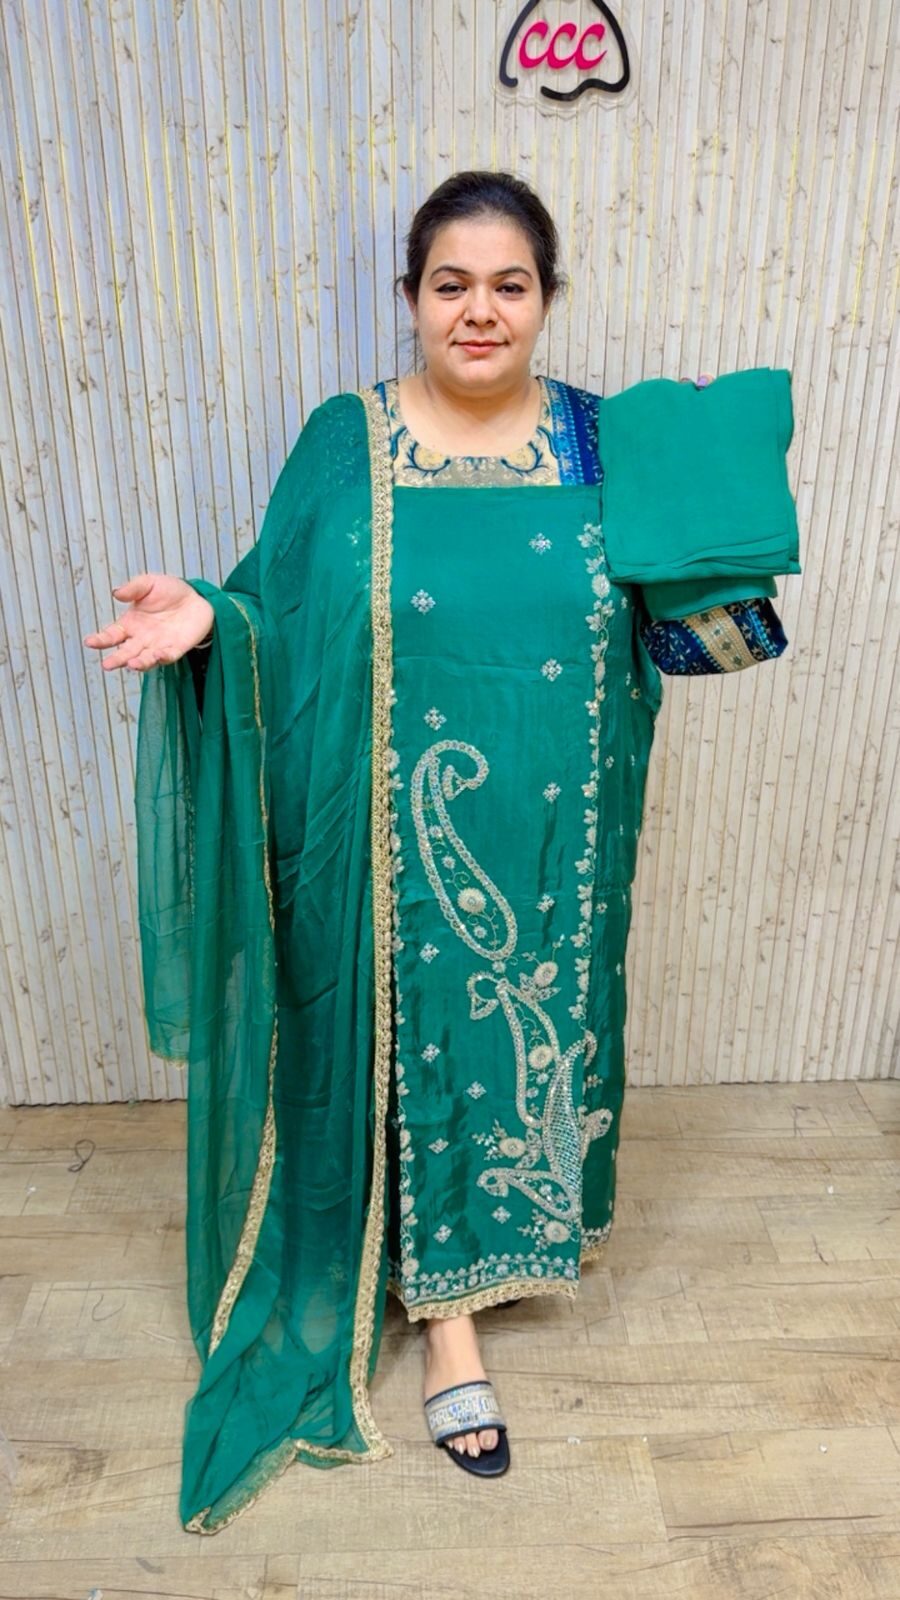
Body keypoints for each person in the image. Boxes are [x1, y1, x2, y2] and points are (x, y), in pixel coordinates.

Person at [83, 170, 799, 1533]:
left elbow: (701, 648)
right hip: (381, 852)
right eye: (451, 284)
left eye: (509, 284)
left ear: (547, 299)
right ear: (411, 297)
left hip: (552, 843)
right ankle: (448, 1324)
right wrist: (216, 622)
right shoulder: (343, 443)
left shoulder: (606, 443)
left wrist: (716, 493)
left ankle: (499, 1247)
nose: (480, 310)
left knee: (521, 1047)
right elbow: (277, 612)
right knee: (407, 1036)